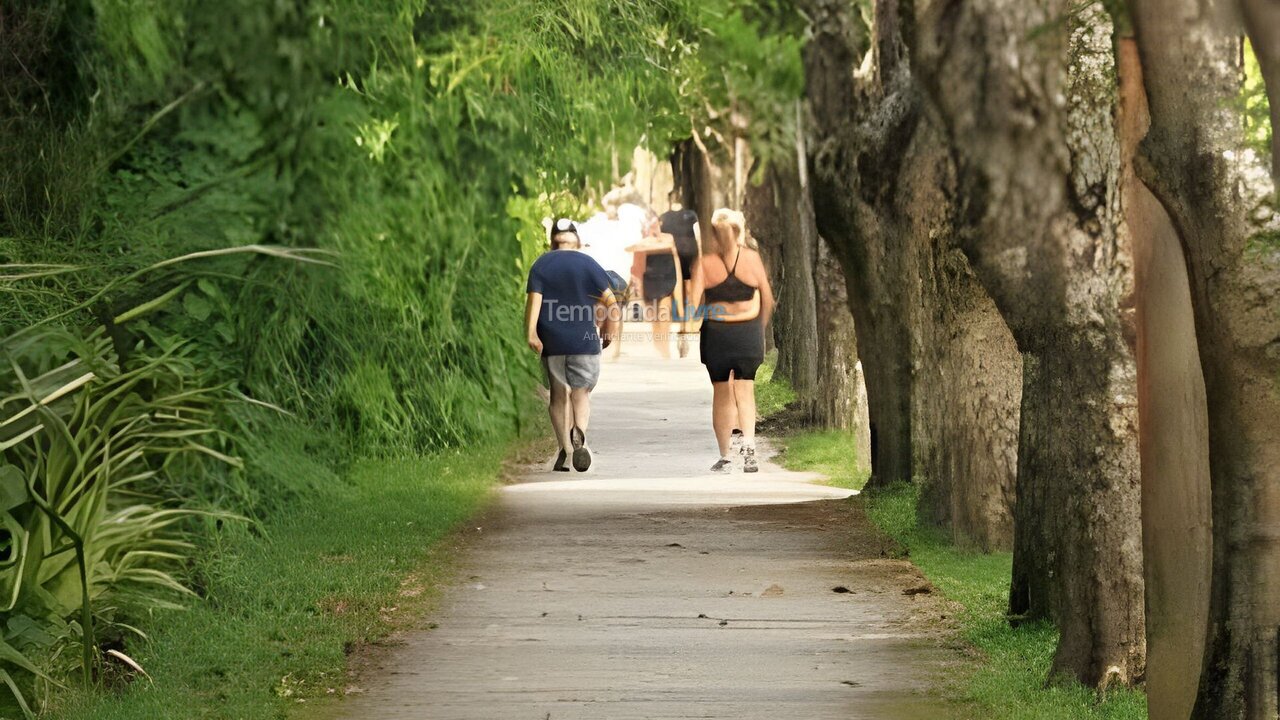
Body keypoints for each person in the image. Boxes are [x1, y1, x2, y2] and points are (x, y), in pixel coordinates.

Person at [525, 218, 620, 472]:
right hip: (584, 341)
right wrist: (609, 332)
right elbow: (612, 304)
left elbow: (534, 302)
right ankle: (580, 436)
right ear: (577, 241)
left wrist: (532, 333)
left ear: (551, 241)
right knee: (581, 392)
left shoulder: (541, 265)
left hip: (552, 340)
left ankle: (566, 450)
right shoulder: (589, 264)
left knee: (558, 394)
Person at [685, 208, 774, 473]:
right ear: (739, 231)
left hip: (717, 335)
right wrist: (758, 324)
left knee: (722, 393)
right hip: (748, 333)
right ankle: (749, 449)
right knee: (745, 390)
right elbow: (767, 299)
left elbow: (693, 307)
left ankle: (725, 456)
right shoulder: (752, 259)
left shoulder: (705, 263)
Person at [626, 211, 683, 358]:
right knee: (654, 321)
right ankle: (660, 353)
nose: (653, 227)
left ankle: (666, 354)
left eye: (655, 224)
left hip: (666, 282)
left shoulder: (668, 238)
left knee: (664, 315)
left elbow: (673, 254)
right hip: (649, 282)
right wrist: (637, 286)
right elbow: (636, 263)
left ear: (659, 223)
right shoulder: (643, 243)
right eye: (650, 225)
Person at [660, 192, 701, 358]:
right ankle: (680, 332)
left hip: (682, 258)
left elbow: (697, 236)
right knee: (681, 294)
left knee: (680, 294)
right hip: (681, 257)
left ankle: (682, 332)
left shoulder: (688, 215)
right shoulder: (687, 215)